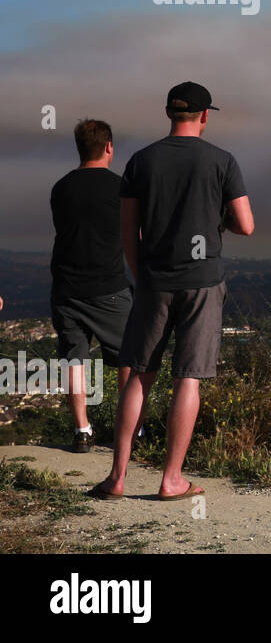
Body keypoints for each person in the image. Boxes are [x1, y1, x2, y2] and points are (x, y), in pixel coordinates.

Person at [91, 83, 254, 500]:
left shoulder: (141, 161)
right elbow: (246, 224)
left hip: (153, 280)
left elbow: (129, 228)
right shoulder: (222, 160)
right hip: (202, 283)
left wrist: (139, 270)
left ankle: (117, 478)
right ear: (204, 116)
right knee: (188, 379)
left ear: (169, 113)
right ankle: (172, 480)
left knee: (140, 377)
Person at [50, 119, 143, 452]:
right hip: (110, 287)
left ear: (79, 147)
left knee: (74, 359)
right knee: (125, 358)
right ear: (109, 147)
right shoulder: (121, 188)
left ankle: (82, 431)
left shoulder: (60, 188)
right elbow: (136, 235)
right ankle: (130, 431)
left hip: (66, 287)